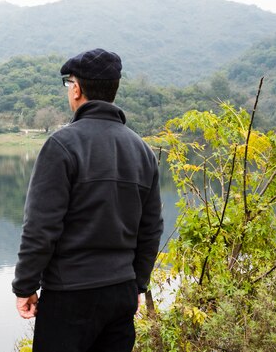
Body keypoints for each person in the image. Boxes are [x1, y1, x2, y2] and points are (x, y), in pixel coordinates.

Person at [12, 48, 163, 352]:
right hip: (120, 291)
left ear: (77, 89)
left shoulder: (62, 145)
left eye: (69, 83)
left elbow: (41, 227)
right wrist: (137, 284)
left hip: (70, 294)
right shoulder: (142, 150)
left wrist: (25, 286)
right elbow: (151, 229)